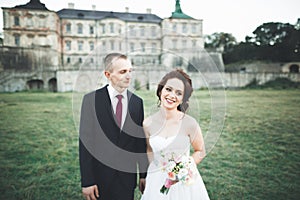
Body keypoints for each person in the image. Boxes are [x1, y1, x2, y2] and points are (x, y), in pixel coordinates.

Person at [79, 53, 148, 200]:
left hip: (126, 179)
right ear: (107, 74)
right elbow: (86, 143)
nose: (128, 76)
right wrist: (87, 180)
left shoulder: (137, 102)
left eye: (130, 71)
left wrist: (143, 174)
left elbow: (139, 142)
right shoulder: (91, 100)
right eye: (123, 72)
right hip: (99, 178)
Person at [141, 69, 210, 200]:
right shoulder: (147, 123)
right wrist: (152, 174)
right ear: (161, 90)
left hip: (184, 184)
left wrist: (183, 169)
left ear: (183, 99)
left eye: (179, 93)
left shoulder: (190, 123)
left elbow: (200, 151)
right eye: (169, 89)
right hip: (156, 181)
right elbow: (149, 150)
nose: (172, 95)